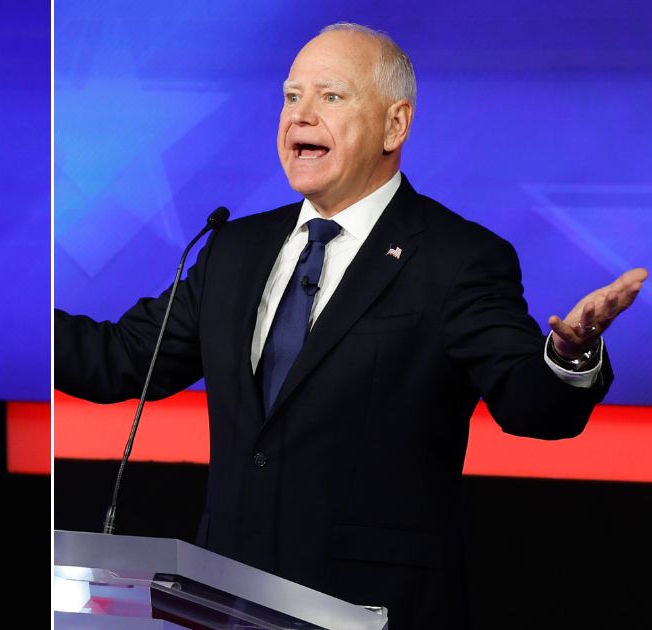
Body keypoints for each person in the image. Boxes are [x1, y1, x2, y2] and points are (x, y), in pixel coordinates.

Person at [55, 23, 645, 629]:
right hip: (222, 602)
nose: (300, 116)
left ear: (395, 125)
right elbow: (122, 358)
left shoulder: (455, 259)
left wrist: (568, 355)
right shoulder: (234, 249)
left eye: (330, 96)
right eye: (290, 97)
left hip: (371, 607)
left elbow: (531, 407)